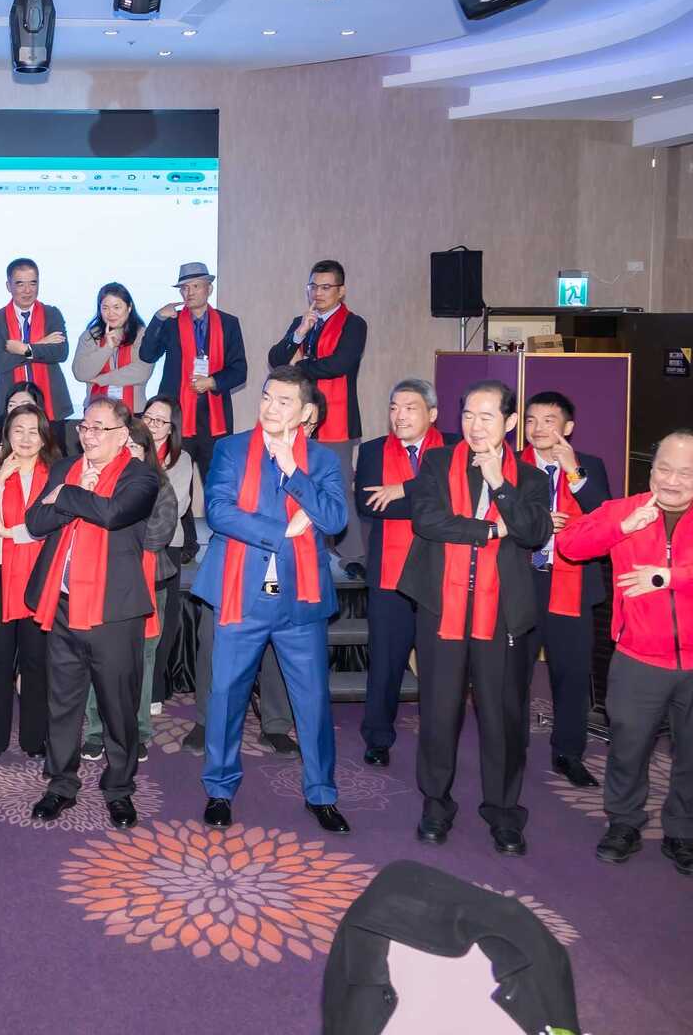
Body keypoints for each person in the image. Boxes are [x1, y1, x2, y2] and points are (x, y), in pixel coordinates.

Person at [558, 432, 693, 879]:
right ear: (651, 470)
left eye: (685, 472)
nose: (672, 480)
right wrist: (621, 528)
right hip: (638, 658)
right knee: (627, 748)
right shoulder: (624, 510)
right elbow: (570, 546)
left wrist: (670, 576)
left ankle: (682, 832)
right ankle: (623, 823)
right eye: (663, 469)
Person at [192, 366, 351, 835]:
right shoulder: (232, 448)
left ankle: (321, 794)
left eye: (283, 401)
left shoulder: (321, 460)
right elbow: (219, 512)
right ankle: (219, 789)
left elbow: (333, 519)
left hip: (300, 600)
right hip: (239, 593)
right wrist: (283, 530)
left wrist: (294, 474)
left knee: (313, 701)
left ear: (305, 412)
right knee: (226, 696)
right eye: (266, 397)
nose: (270, 408)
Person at [398, 380, 550, 855]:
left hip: (501, 613)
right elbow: (427, 520)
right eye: (467, 415)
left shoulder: (530, 478)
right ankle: (436, 803)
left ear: (509, 422)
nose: (475, 426)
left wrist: (501, 485)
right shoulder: (437, 462)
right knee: (438, 710)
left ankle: (503, 811)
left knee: (503, 714)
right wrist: (491, 531)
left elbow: (533, 531)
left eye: (487, 417)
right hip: (440, 606)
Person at [26, 397, 158, 829]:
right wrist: (70, 493)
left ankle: (119, 788)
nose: (88, 435)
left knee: (118, 707)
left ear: (123, 435)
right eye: (85, 426)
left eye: (100, 428)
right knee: (62, 702)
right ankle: (61, 784)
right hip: (63, 604)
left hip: (113, 612)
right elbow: (35, 521)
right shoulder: (66, 468)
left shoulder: (140, 475)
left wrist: (68, 495)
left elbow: (113, 514)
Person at [518, 390, 612, 788]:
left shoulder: (589, 466)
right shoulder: (510, 465)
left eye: (549, 420)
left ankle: (568, 753)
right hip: (523, 582)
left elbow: (604, 516)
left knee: (572, 675)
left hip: (572, 582)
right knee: (512, 674)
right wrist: (537, 522)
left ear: (568, 427)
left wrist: (573, 472)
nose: (538, 428)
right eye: (531, 420)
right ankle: (511, 747)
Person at [353, 378, 445, 767]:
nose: (399, 416)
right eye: (394, 408)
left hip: (442, 575)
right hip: (390, 574)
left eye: (409, 408)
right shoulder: (373, 450)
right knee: (386, 661)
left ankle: (440, 737)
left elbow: (455, 501)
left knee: (440, 664)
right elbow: (371, 505)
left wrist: (404, 489)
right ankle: (377, 737)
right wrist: (428, 494)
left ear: (432, 414)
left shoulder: (454, 447)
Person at [83, 421, 182, 765]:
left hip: (149, 584)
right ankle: (95, 732)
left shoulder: (161, 486)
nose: (130, 455)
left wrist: (115, 527)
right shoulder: (98, 482)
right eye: (125, 448)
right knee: (99, 660)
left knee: (143, 661)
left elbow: (156, 537)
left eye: (136, 448)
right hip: (102, 583)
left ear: (147, 452)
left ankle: (138, 732)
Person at [0, 403, 58, 759]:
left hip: (39, 575)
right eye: (18, 430)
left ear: (44, 437)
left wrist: (15, 533)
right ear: (7, 433)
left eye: (33, 431)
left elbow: (52, 523)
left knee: (36, 660)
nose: (25, 438)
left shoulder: (55, 472)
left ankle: (34, 739)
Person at [268, 259, 367, 565]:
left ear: (341, 291)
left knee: (338, 487)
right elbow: (276, 360)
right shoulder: (302, 321)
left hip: (336, 418)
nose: (318, 293)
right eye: (313, 286)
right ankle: (306, 547)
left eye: (326, 287)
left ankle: (353, 556)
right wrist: (299, 333)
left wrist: (300, 366)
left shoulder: (354, 324)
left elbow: (340, 364)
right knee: (297, 482)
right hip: (299, 419)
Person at [140, 261, 246, 480]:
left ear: (209, 289)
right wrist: (158, 318)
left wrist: (212, 382)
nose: (189, 292)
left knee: (218, 483)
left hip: (214, 419)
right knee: (174, 483)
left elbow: (239, 370)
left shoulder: (228, 323)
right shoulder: (170, 322)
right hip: (176, 417)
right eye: (184, 288)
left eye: (195, 286)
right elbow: (147, 355)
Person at [138, 396, 201, 719]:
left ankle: (155, 688)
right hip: (128, 545)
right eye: (148, 417)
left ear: (172, 427)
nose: (152, 425)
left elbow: (176, 504)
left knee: (163, 620)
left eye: (160, 421)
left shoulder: (181, 459)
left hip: (166, 545)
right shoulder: (125, 447)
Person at [0, 257, 73, 435]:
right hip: (8, 405)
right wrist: (39, 345)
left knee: (54, 452)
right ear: (9, 286)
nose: (27, 290)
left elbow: (60, 352)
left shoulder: (52, 314)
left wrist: (25, 349)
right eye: (20, 284)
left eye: (33, 283)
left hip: (51, 405)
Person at [73, 282, 153, 415]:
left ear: (129, 307)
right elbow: (80, 373)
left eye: (117, 307)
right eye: (105, 308)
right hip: (95, 411)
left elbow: (142, 372)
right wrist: (107, 348)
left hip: (134, 412)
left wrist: (101, 379)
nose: (111, 313)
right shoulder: (90, 336)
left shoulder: (142, 335)